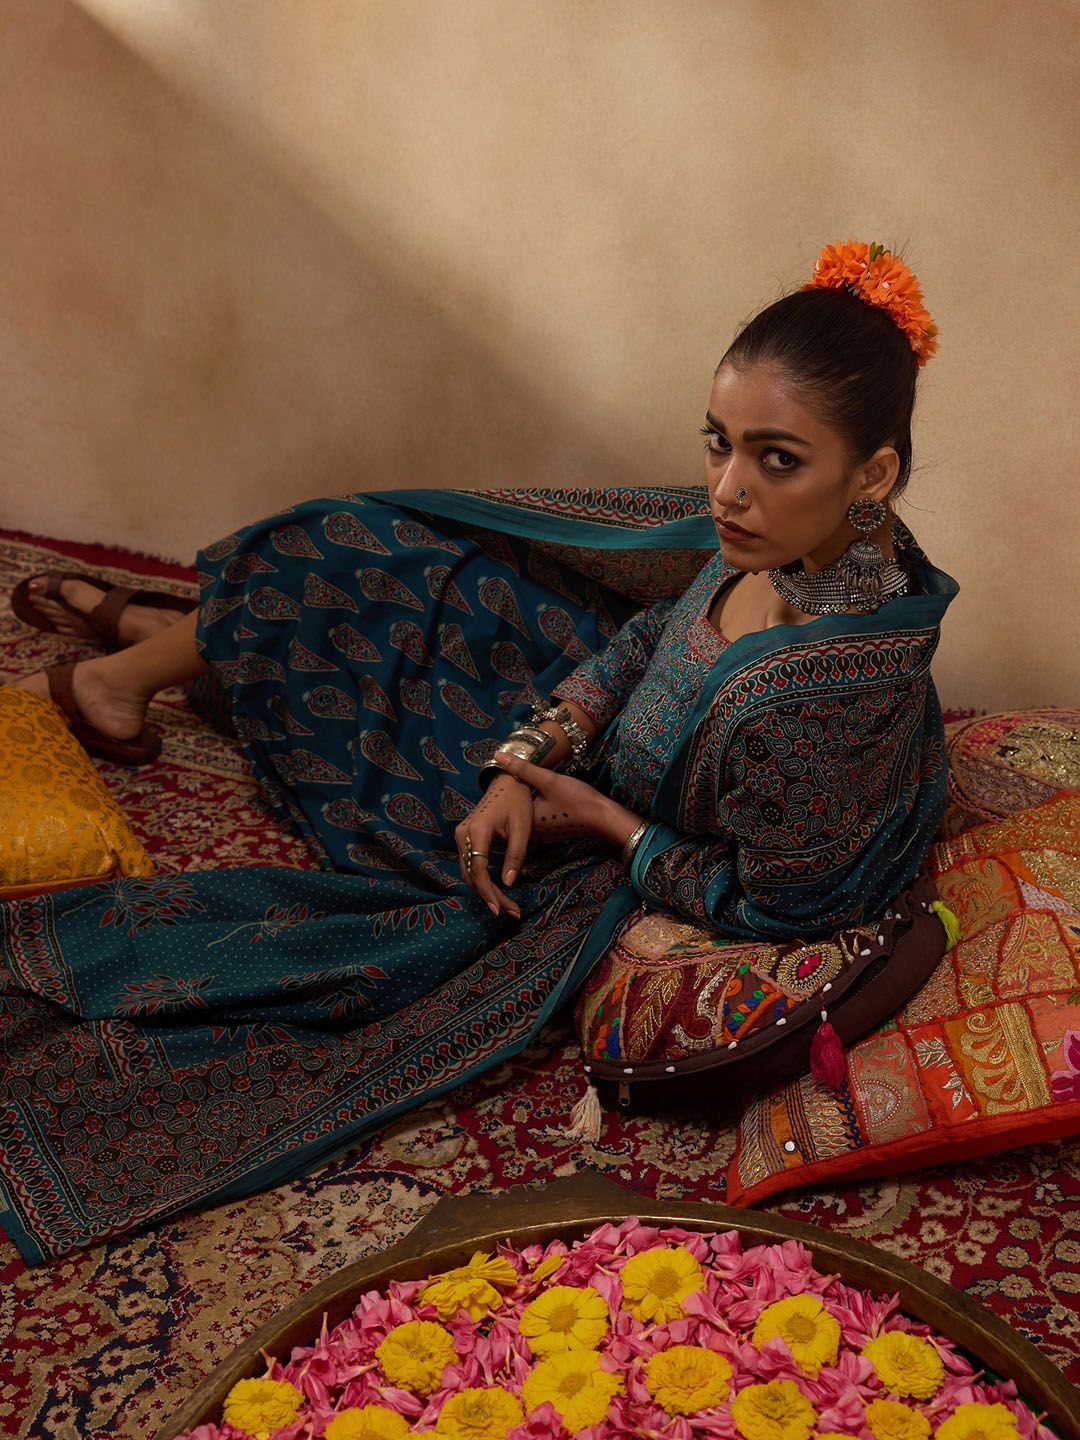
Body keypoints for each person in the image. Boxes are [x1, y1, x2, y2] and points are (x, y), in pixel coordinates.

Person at [0, 240, 956, 1264]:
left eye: (777, 460)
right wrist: (520, 755)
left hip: (596, 840)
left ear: (873, 474)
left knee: (383, 727)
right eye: (718, 444)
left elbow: (778, 909)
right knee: (361, 550)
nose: (726, 491)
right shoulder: (801, 548)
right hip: (586, 737)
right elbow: (646, 639)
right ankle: (160, 646)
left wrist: (604, 823)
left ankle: (163, 647)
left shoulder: (823, 703)